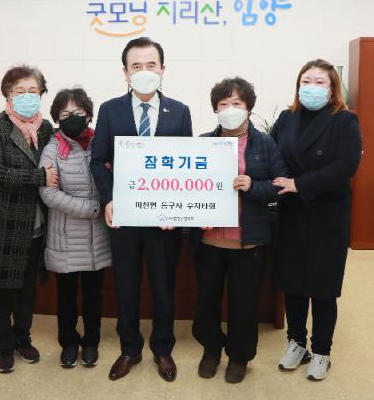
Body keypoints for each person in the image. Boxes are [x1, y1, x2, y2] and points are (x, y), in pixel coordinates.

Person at [90, 36, 193, 382]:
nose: (144, 71)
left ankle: (163, 349)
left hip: (164, 219)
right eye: (137, 66)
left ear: (162, 69)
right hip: (125, 218)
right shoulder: (110, 110)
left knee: (164, 285)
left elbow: (185, 164)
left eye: (151, 64)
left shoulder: (180, 111)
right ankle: (130, 348)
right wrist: (109, 198)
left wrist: (177, 208)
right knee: (126, 284)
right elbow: (98, 160)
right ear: (125, 72)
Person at [190, 77, 288, 383]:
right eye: (223, 104)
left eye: (236, 103)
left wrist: (253, 186)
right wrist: (194, 215)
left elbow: (280, 186)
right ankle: (211, 349)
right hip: (209, 241)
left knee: (244, 304)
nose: (230, 109)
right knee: (207, 299)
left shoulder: (265, 143)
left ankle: (239, 356)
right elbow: (189, 188)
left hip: (248, 242)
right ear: (215, 109)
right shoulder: (203, 142)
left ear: (248, 108)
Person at [270, 59, 362, 381]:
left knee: (323, 287)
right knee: (293, 284)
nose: (311, 87)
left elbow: (346, 166)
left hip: (327, 214)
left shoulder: (345, 121)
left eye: (319, 82)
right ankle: (296, 343)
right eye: (305, 81)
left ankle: (322, 351)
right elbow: (273, 155)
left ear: (332, 88)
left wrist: (301, 184)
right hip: (292, 212)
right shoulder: (286, 118)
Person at [0, 65, 57, 374]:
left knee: (27, 289)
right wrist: (38, 177)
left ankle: (24, 339)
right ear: (8, 95)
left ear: (41, 94)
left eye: (33, 91)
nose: (27, 97)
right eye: (20, 91)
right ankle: (4, 346)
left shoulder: (46, 128)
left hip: (35, 223)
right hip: (3, 223)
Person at [39, 88, 111, 369]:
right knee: (66, 296)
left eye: (78, 113)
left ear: (89, 115)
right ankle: (68, 343)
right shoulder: (52, 149)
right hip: (66, 238)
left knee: (94, 295)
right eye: (66, 113)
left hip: (97, 238)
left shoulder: (100, 144)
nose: (72, 118)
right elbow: (48, 193)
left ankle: (91, 342)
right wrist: (90, 208)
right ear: (57, 117)